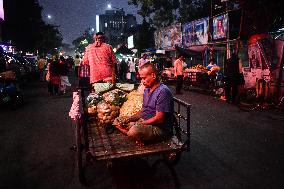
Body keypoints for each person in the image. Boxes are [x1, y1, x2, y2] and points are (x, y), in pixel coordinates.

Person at [114, 63, 174, 143]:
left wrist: (139, 123)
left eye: (144, 78)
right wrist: (129, 119)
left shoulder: (163, 91)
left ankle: (136, 136)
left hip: (159, 128)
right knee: (117, 120)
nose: (142, 82)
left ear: (153, 76)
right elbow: (143, 110)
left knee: (134, 130)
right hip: (145, 122)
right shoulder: (147, 90)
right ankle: (139, 137)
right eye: (141, 79)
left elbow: (159, 119)